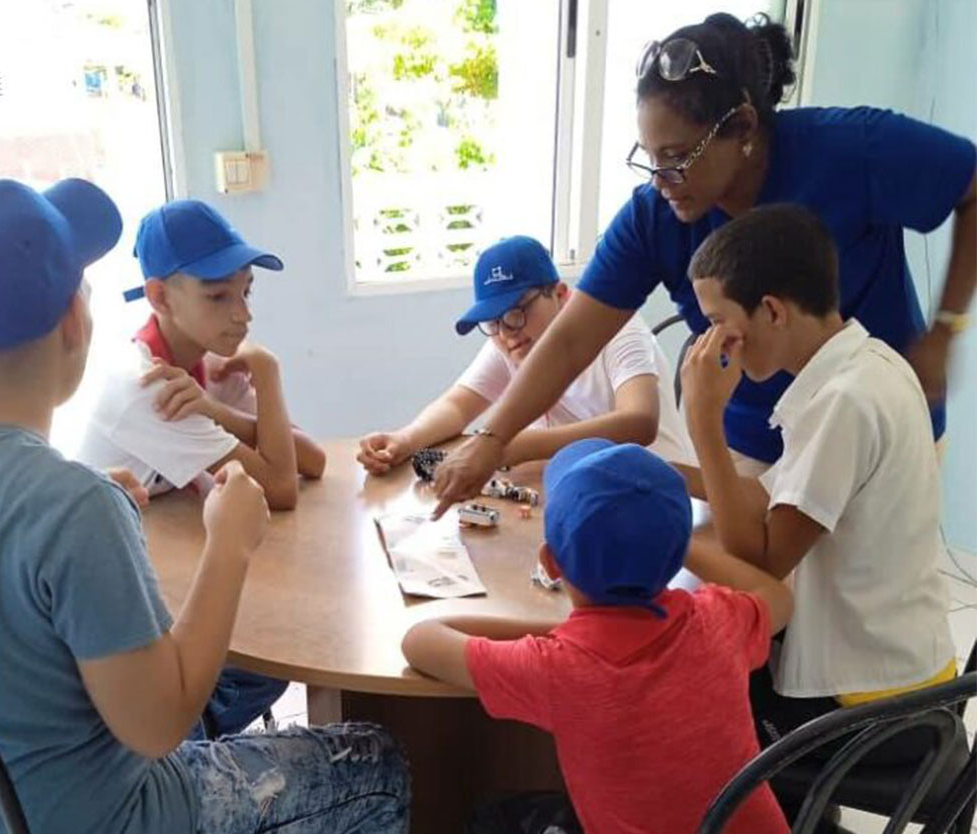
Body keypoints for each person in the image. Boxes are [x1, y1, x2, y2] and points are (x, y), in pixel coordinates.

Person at [0, 178, 409, 834]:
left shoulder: (51, 494)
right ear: (75, 322)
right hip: (107, 816)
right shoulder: (71, 507)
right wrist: (230, 544)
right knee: (375, 761)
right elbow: (159, 727)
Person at [431, 12, 976, 516]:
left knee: (848, 601)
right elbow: (572, 341)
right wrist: (491, 439)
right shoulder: (655, 216)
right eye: (649, 157)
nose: (660, 180)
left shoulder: (852, 150)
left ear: (741, 127)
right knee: (751, 605)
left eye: (677, 157)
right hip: (753, 441)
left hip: (872, 434)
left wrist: (946, 330)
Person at [679, 204, 955, 764]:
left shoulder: (843, 402)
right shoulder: (866, 365)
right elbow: (762, 498)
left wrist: (703, 421)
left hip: (874, 705)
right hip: (909, 667)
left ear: (772, 311)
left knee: (685, 706)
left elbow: (759, 559)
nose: (712, 342)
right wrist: (649, 473)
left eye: (716, 322)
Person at [403, 438, 793, 834]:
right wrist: (675, 543)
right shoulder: (716, 622)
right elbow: (778, 597)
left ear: (550, 563)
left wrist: (562, 637)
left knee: (491, 815)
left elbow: (420, 640)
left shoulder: (558, 667)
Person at [76, 199, 329, 735]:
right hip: (120, 620)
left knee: (270, 659)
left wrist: (232, 398)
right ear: (159, 296)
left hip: (166, 574)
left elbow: (312, 459)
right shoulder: (149, 385)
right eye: (218, 296)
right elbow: (281, 486)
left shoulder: (207, 363)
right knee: (263, 659)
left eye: (246, 290)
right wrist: (268, 373)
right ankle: (187, 740)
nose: (243, 314)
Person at [357, 235, 690, 475]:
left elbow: (639, 422)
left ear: (561, 294)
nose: (506, 332)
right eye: (493, 322)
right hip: (591, 485)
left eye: (517, 312)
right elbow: (457, 405)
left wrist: (510, 444)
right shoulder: (508, 338)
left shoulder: (617, 324)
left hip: (665, 488)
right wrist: (405, 439)